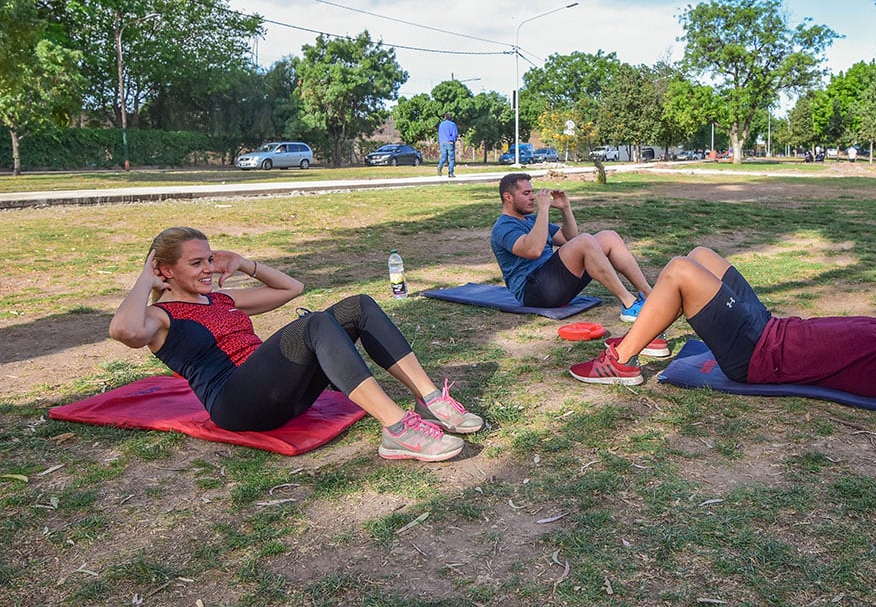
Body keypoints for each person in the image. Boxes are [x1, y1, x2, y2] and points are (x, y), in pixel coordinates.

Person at [109, 227, 483, 462]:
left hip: (281, 394)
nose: (208, 269)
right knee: (315, 323)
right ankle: (398, 429)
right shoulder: (160, 317)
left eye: (209, 259)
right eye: (196, 263)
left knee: (359, 306)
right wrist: (146, 276)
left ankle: (431, 399)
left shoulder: (222, 300)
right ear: (166, 270)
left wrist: (243, 263)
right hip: (236, 405)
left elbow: (292, 289)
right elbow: (123, 332)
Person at [569, 246, 876, 389]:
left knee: (679, 270)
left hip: (757, 357)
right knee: (702, 257)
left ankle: (621, 361)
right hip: (769, 327)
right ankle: (647, 333)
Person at [490, 173, 654, 321]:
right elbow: (533, 250)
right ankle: (629, 304)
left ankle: (649, 294)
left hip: (554, 284)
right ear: (508, 197)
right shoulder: (503, 227)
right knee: (585, 241)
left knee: (609, 237)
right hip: (534, 292)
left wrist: (565, 208)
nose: (532, 197)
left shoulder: (531, 221)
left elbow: (570, 239)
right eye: (526, 193)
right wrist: (544, 209)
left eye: (532, 192)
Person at [437, 112, 458, 177]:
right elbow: (455, 134)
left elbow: (439, 133)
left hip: (442, 142)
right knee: (451, 158)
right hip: (450, 142)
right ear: (451, 118)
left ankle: (440, 166)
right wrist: (454, 140)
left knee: (444, 156)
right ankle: (450, 172)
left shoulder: (441, 124)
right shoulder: (452, 124)